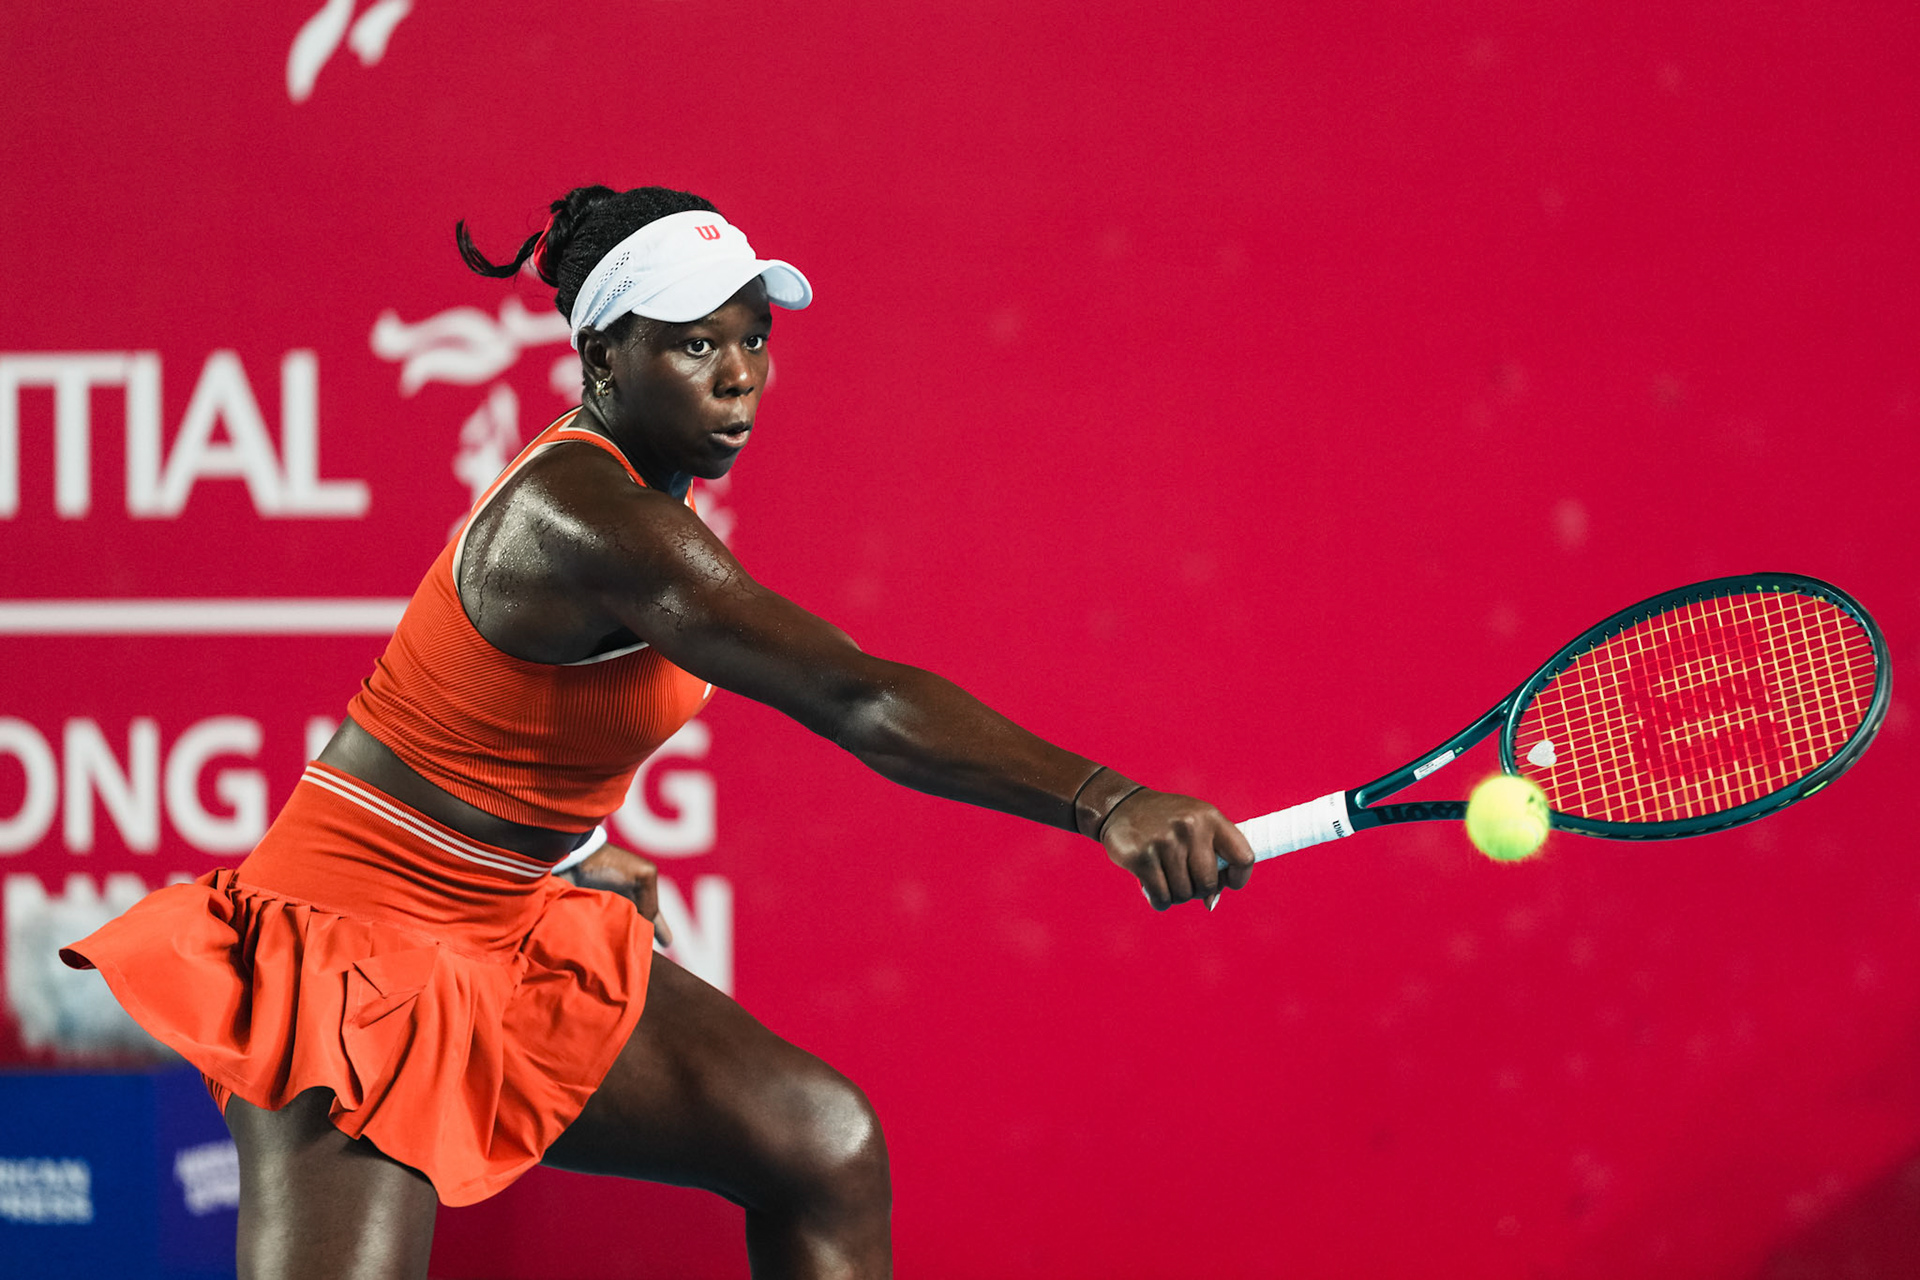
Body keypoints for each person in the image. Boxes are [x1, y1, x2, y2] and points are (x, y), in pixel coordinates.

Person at [62, 184, 1257, 1280]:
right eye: (695, 344)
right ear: (601, 357)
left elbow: (489, 717)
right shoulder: (587, 512)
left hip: (502, 921)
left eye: (753, 337)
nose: (739, 375)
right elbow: (855, 695)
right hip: (354, 951)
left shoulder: (653, 498)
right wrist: (1104, 797)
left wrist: (571, 852)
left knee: (819, 1139)